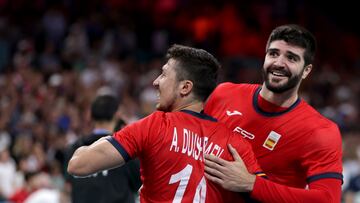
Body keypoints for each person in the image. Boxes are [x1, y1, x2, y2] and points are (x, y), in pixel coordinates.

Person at [67, 44, 265, 203]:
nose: (155, 81)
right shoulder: (235, 144)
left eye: (163, 74)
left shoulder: (154, 125)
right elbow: (268, 193)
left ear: (185, 87)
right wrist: (250, 183)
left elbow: (78, 165)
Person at [203, 24, 343, 203]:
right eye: (273, 53)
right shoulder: (224, 94)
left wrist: (252, 184)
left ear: (306, 71)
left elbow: (328, 199)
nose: (278, 63)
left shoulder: (321, 131)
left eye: (291, 58)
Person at [65, 95, 141, 203]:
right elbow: (139, 184)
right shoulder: (126, 149)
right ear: (117, 114)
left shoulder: (73, 150)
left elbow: (68, 187)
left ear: (90, 115)